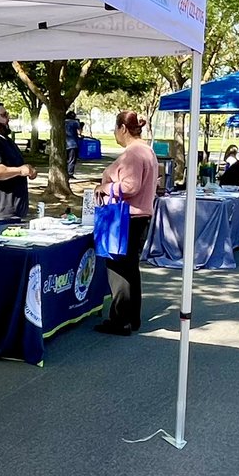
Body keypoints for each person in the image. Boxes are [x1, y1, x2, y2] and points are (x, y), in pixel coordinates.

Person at [92, 110, 157, 337]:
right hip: (139, 215)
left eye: (115, 129)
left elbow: (130, 186)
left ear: (122, 128)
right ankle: (131, 317)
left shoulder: (133, 154)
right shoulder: (146, 151)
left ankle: (120, 319)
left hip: (126, 216)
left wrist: (106, 188)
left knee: (118, 269)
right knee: (130, 268)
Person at [64, 111, 81, 179]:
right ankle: (70, 173)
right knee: (72, 159)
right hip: (73, 143)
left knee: (65, 159)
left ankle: (64, 172)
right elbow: (79, 131)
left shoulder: (63, 122)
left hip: (64, 143)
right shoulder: (75, 122)